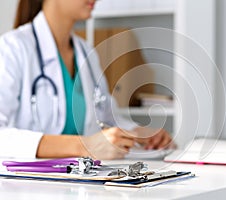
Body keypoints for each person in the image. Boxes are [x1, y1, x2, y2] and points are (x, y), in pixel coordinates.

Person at [0, 0, 175, 159]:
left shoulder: (86, 53)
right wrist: (84, 146)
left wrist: (138, 134)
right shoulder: (11, 49)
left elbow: (106, 118)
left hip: (77, 184)